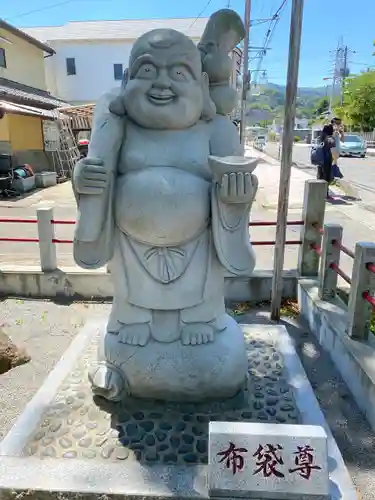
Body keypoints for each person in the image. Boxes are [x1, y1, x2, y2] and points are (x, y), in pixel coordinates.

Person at [317, 124, 335, 198]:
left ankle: (319, 192)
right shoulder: (329, 137)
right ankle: (325, 193)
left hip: (320, 159)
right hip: (326, 159)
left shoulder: (321, 136)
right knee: (326, 177)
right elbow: (333, 145)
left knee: (320, 175)